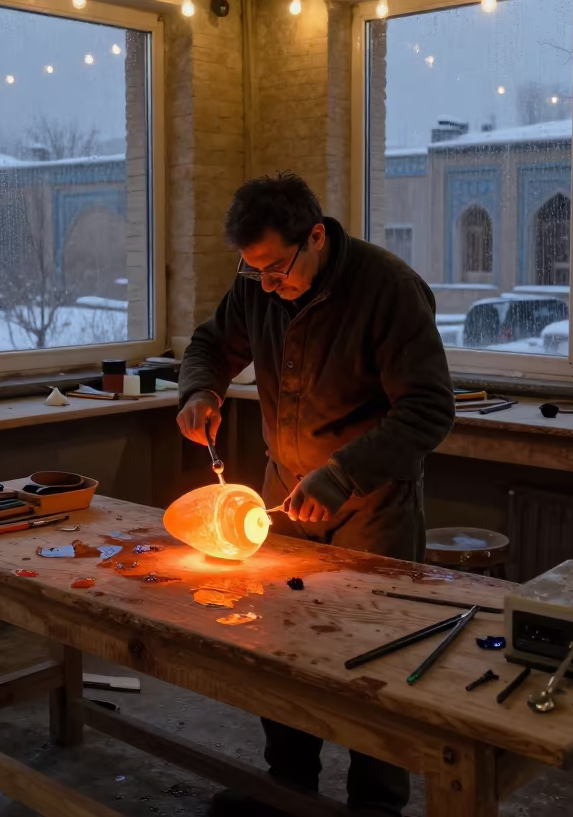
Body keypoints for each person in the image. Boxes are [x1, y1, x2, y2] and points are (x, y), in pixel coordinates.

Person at [177, 172, 455, 817]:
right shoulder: (259, 287)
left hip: (371, 504)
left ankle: (376, 805)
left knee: (371, 660)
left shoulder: (389, 290)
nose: (268, 285)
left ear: (318, 237)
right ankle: (288, 790)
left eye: (277, 268)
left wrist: (341, 474)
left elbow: (428, 410)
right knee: (282, 649)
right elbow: (212, 344)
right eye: (255, 274)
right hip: (284, 494)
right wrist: (200, 391)